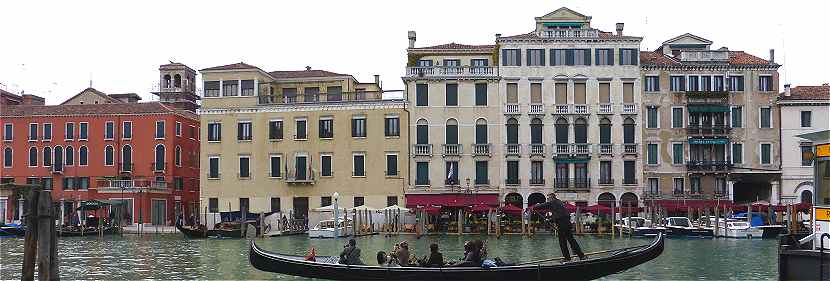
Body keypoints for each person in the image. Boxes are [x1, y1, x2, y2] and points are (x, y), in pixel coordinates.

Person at [534, 193, 585, 262]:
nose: (548, 200)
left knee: (562, 242)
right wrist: (550, 220)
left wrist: (535, 206)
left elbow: (544, 205)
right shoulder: (560, 203)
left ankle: (567, 258)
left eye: (548, 198)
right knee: (571, 240)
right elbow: (558, 214)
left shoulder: (553, 202)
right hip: (567, 223)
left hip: (562, 224)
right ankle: (581, 256)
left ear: (552, 198)